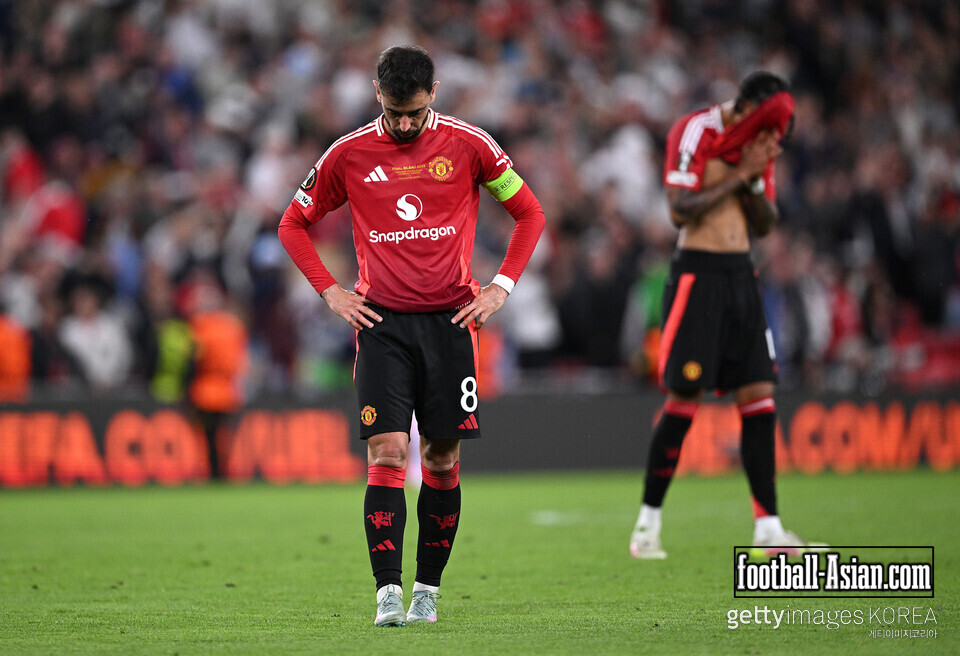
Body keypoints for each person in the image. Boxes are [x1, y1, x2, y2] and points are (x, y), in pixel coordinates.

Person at [278, 45, 544, 626]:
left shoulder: (471, 145)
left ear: (435, 94)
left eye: (415, 114)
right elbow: (292, 224)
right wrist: (330, 290)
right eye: (395, 112)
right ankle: (387, 593)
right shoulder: (348, 154)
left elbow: (530, 213)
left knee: (441, 459)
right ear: (377, 92)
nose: (403, 124)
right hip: (382, 326)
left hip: (453, 323)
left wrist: (500, 286)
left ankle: (428, 588)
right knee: (389, 451)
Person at [629, 71, 824, 559]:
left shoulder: (758, 147)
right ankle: (647, 526)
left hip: (742, 276)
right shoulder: (696, 130)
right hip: (698, 275)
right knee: (684, 399)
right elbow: (679, 209)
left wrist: (755, 177)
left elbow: (766, 222)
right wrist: (739, 174)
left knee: (760, 396)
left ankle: (769, 528)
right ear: (748, 108)